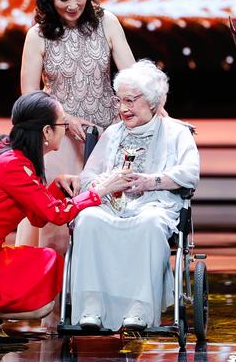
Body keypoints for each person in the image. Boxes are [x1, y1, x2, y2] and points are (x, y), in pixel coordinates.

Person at [0, 91, 132, 350]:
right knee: (43, 285)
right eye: (62, 125)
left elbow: (37, 217)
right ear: (47, 132)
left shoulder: (17, 158)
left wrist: (57, 186)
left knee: (43, 262)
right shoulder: (13, 164)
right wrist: (99, 192)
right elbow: (57, 215)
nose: (66, 129)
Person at [15, 0, 136, 256]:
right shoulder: (38, 35)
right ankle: (52, 298)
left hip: (106, 133)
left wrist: (156, 109)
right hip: (58, 136)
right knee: (56, 220)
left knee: (105, 214)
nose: (73, 5)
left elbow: (132, 75)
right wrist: (66, 118)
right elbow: (29, 94)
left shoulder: (106, 21)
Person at [69, 60, 200, 331]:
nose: (122, 109)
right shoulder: (112, 134)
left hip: (154, 204)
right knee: (88, 220)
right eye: (119, 101)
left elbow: (190, 173)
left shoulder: (177, 132)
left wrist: (150, 182)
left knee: (150, 225)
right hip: (111, 204)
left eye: (130, 101)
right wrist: (107, 182)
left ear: (152, 101)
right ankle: (92, 305)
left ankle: (139, 308)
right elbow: (87, 178)